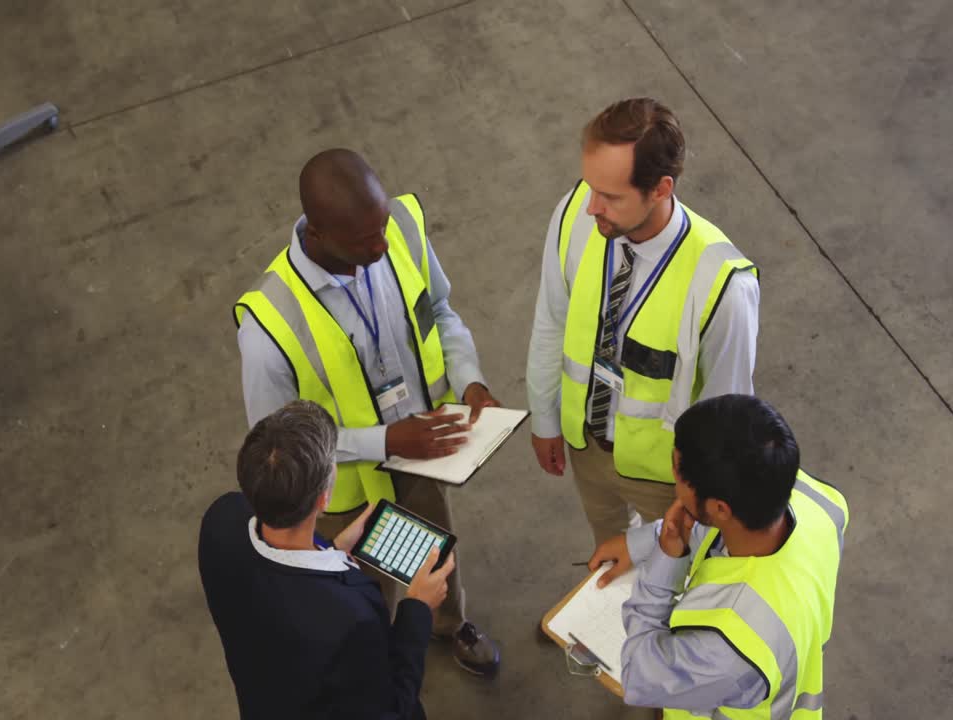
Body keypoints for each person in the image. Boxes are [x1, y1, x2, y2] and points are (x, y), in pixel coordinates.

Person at [233, 148, 501, 675]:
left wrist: (470, 381)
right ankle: (376, 662)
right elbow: (279, 447)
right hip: (344, 491)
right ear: (317, 234)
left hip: (422, 454)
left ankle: (448, 625)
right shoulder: (269, 326)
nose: (381, 246)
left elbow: (439, 311)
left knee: (433, 555)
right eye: (363, 241)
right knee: (362, 590)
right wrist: (387, 441)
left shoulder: (397, 226)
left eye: (381, 230)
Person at [526, 97, 761, 552]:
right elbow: (551, 320)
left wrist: (695, 500)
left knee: (673, 580)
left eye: (611, 196)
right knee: (609, 557)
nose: (591, 206)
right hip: (586, 447)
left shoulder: (723, 288)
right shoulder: (578, 214)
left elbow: (725, 418)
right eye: (590, 186)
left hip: (665, 482)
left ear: (660, 188)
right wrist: (545, 418)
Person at [588, 394, 849, 719]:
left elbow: (640, 672)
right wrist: (642, 543)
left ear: (719, 508)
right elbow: (709, 529)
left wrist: (661, 571)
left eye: (677, 470)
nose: (673, 479)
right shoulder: (813, 500)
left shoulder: (731, 648)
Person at [199, 400, 457, 720]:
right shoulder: (348, 622)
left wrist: (332, 548)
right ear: (324, 499)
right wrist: (418, 608)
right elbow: (392, 707)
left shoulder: (221, 519)